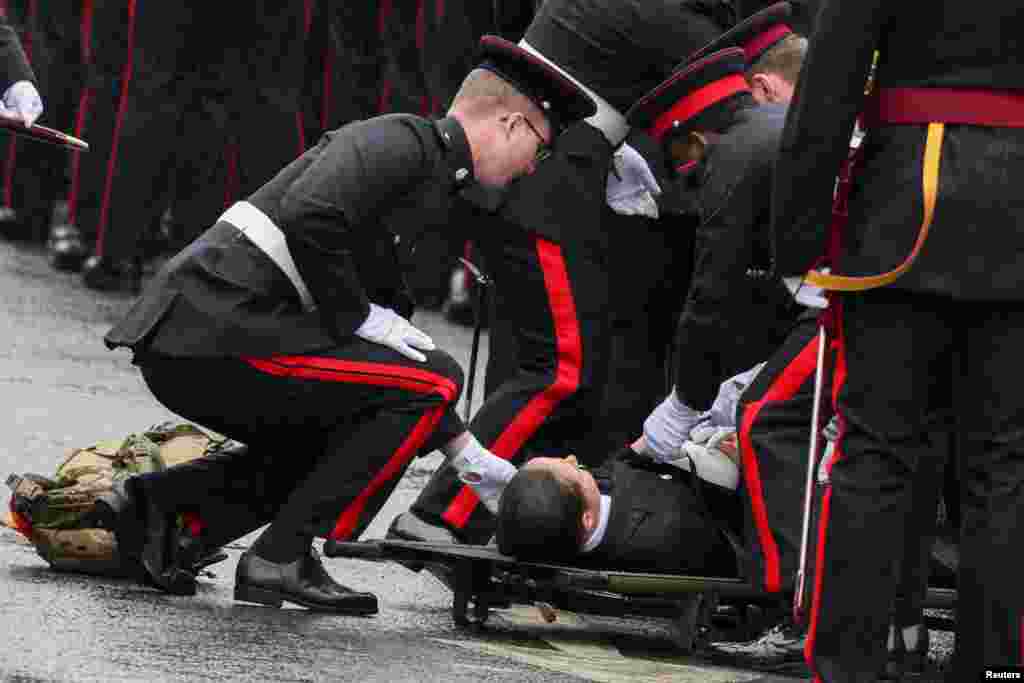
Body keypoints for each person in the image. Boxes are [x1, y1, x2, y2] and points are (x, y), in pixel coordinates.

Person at [101, 35, 596, 613]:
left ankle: (165, 508)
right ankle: (281, 556)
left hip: (224, 330)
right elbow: (311, 214)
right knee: (436, 378)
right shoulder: (401, 140)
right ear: (512, 125)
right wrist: (359, 316)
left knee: (369, 414)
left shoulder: (434, 178)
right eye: (540, 145)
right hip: (217, 325)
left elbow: (390, 358)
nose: (535, 165)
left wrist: (460, 446)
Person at [390, 0, 738, 550]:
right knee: (560, 370)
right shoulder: (673, 15)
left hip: (544, 169)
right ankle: (440, 515)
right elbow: (743, 84)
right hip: (546, 180)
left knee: (574, 370)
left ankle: (498, 510)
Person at [771, 2, 1024, 680]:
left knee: (875, 448)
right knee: (1006, 463)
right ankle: (998, 669)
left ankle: (845, 667)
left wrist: (795, 240)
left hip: (910, 198)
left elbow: (829, 78)